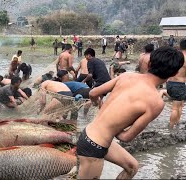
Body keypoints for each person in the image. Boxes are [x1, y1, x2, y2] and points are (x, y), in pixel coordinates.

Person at [77, 46, 184, 179]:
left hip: (89, 135)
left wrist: (100, 108)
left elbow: (93, 93)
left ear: (150, 63)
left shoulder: (127, 76)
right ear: (174, 73)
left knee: (132, 166)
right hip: (94, 147)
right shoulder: (156, 103)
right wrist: (113, 125)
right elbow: (126, 137)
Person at [166, 39, 186, 128]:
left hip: (170, 83)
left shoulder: (174, 56)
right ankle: (171, 127)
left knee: (180, 105)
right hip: (179, 84)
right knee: (176, 107)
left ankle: (176, 123)